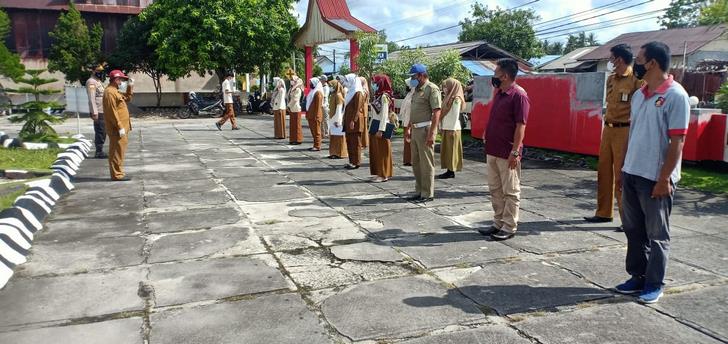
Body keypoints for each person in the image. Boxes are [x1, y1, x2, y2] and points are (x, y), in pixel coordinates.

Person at [614, 41, 690, 304]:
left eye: (640, 59)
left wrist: (664, 178)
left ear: (653, 63)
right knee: (633, 230)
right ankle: (637, 276)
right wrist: (622, 169)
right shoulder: (639, 95)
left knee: (657, 234)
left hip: (655, 178)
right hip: (633, 172)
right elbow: (631, 135)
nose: (636, 64)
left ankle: (654, 283)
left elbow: (677, 142)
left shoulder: (676, 96)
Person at [584, 44, 643, 231]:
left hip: (624, 130)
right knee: (604, 171)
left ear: (619, 59)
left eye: (612, 59)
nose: (610, 62)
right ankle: (603, 212)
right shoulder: (611, 80)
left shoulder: (636, 80)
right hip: (608, 128)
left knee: (621, 175)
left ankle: (628, 220)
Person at [480, 58, 529, 241]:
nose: (494, 78)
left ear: (505, 76)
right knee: (495, 189)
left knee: (510, 191)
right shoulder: (500, 93)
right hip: (493, 149)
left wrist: (515, 151)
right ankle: (498, 222)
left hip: (507, 151)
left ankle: (509, 226)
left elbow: (520, 125)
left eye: (496, 75)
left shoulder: (519, 95)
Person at [406, 64, 441, 203]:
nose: (412, 79)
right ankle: (419, 190)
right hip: (415, 129)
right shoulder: (416, 90)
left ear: (421, 75)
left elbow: (437, 111)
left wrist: (432, 133)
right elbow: (414, 111)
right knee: (416, 163)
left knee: (426, 163)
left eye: (413, 76)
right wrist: (408, 127)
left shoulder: (431, 89)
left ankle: (427, 193)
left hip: (425, 129)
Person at [102, 70, 134, 181]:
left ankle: (119, 173)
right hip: (117, 128)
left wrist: (130, 86)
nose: (122, 81)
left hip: (121, 127)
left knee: (119, 150)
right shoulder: (110, 92)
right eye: (121, 79)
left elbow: (128, 98)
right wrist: (119, 126)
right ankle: (117, 175)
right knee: (116, 151)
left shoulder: (115, 91)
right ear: (116, 79)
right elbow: (112, 111)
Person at [437, 77, 465, 179]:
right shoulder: (448, 97)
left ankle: (451, 170)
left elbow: (455, 115)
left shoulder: (456, 99)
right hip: (447, 128)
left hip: (452, 129)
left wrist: (451, 130)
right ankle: (448, 169)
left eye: (445, 86)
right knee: (447, 151)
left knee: (452, 151)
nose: (444, 88)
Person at [369, 74, 394, 183]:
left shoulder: (384, 96)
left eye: (375, 82)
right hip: (375, 125)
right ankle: (379, 173)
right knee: (377, 152)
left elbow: (384, 114)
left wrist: (381, 130)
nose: (373, 85)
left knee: (383, 152)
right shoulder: (377, 95)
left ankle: (384, 174)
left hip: (381, 127)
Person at [343, 73, 366, 169]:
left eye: (348, 80)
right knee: (350, 141)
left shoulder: (358, 92)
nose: (346, 83)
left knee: (356, 142)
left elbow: (357, 109)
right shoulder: (351, 91)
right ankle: (351, 161)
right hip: (348, 121)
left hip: (355, 122)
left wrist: (353, 120)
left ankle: (356, 162)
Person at [86, 65, 107, 159]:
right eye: (98, 70)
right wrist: (94, 112)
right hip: (98, 110)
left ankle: (100, 150)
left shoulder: (98, 81)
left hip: (103, 109)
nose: (101, 72)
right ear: (93, 71)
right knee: (100, 131)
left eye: (102, 70)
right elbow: (91, 98)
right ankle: (99, 151)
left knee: (103, 131)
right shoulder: (91, 82)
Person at [327, 79, 348, 159]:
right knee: (334, 136)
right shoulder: (333, 94)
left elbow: (339, 109)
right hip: (333, 118)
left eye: (331, 86)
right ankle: (334, 152)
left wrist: (338, 120)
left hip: (336, 119)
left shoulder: (338, 95)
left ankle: (340, 153)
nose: (330, 87)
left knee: (339, 137)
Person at [305, 77, 324, 151]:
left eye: (311, 83)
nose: (310, 84)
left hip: (315, 115)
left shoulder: (318, 93)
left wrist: (316, 115)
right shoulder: (313, 91)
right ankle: (315, 145)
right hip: (311, 114)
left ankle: (317, 145)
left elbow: (318, 106)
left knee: (317, 131)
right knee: (313, 131)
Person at [400, 78, 415, 166]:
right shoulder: (409, 94)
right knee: (407, 142)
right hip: (406, 121)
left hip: (411, 121)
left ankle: (412, 160)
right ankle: (407, 160)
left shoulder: (414, 95)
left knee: (411, 141)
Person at [287, 76, 304, 145]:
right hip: (292, 108)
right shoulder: (292, 88)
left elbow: (295, 99)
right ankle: (293, 139)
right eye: (291, 80)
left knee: (297, 125)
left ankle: (297, 139)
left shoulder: (298, 89)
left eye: (292, 80)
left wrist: (288, 106)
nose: (291, 81)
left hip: (296, 108)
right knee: (293, 125)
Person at [359, 76, 370, 149]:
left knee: (363, 128)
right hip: (363, 110)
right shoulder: (364, 89)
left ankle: (364, 143)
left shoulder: (364, 90)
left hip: (363, 110)